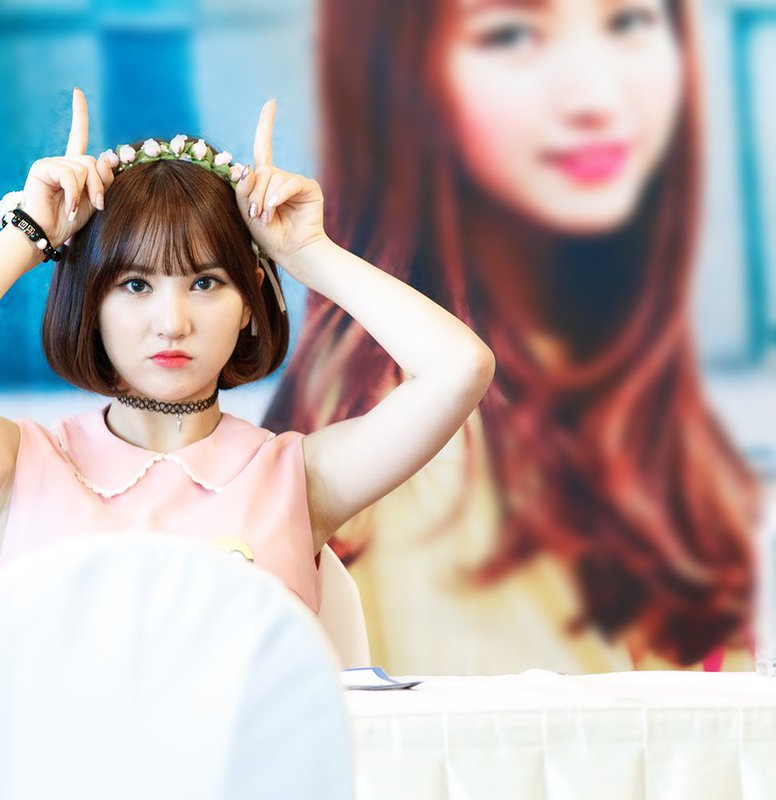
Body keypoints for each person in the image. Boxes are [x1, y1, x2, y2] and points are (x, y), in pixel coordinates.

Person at [264, 0, 758, 669]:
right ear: (400, 74)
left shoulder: (605, 373)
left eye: (629, 23)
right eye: (512, 34)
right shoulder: (427, 437)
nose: (597, 98)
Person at [0, 88, 494, 614]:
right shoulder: (19, 469)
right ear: (92, 303)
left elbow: (459, 369)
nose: (172, 323)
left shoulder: (302, 480)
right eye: (135, 285)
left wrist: (307, 253)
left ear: (248, 302)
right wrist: (30, 234)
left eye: (205, 283)